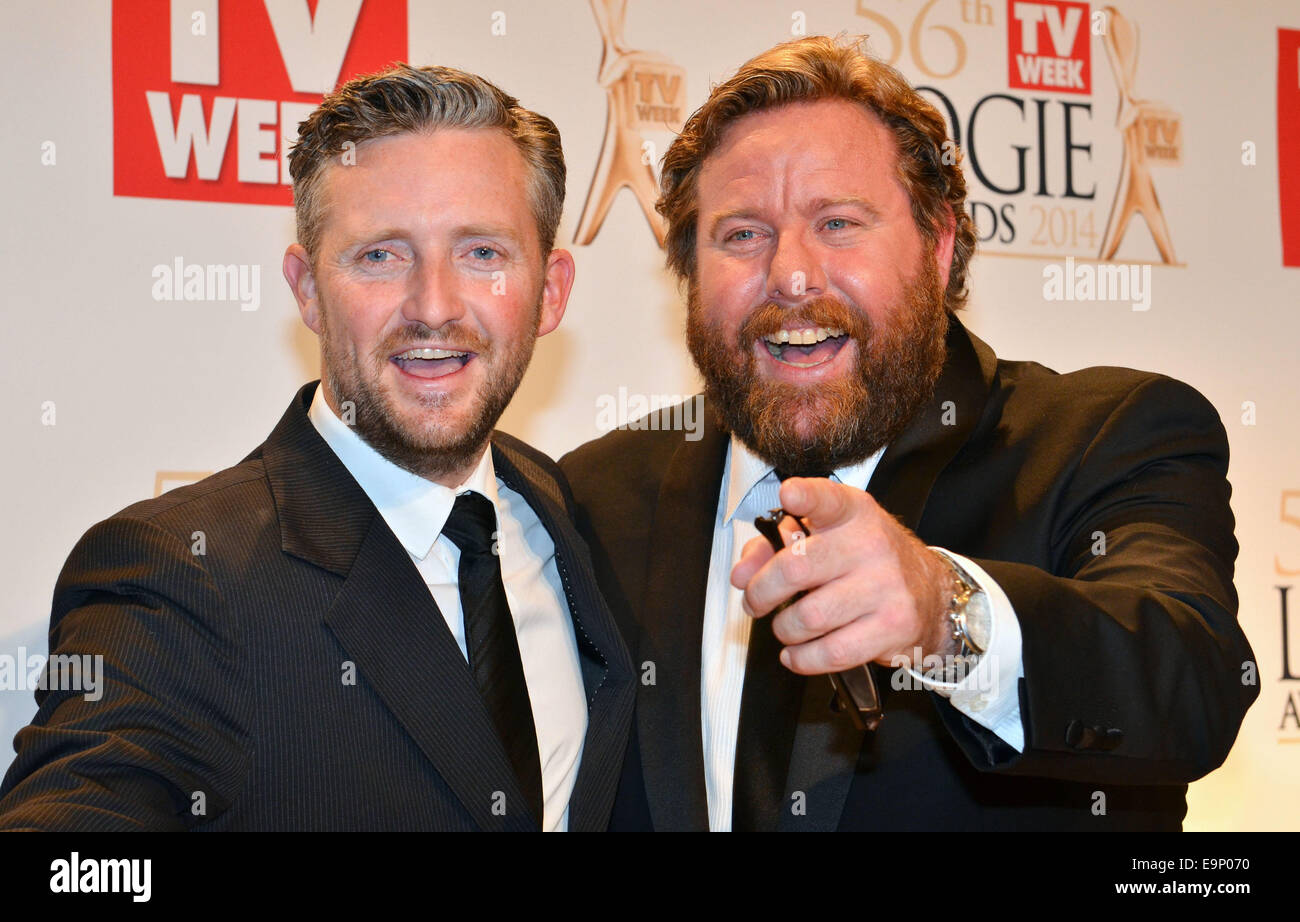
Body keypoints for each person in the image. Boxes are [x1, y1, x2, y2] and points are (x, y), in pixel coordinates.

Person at [560, 36, 1258, 831]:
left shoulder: (1107, 437)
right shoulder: (592, 496)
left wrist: (942, 611)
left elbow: (1192, 681)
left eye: (839, 223)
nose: (791, 274)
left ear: (938, 246)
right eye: (741, 234)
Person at [0, 64, 633, 831]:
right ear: (305, 290)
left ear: (551, 292)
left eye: (483, 254)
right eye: (380, 256)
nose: (433, 306)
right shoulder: (180, 577)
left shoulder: (563, 510)